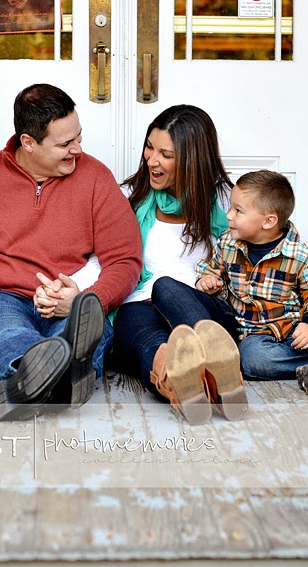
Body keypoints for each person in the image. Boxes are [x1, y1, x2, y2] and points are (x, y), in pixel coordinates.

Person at [0, 83, 141, 420]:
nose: (77, 149)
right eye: (64, 144)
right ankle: (59, 379)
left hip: (71, 296)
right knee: (5, 337)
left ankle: (33, 382)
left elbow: (125, 258)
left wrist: (90, 298)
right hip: (2, 296)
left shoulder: (96, 178)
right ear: (28, 142)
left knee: (86, 333)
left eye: (79, 137)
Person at [154, 169, 308, 399]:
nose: (229, 215)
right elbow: (209, 268)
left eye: (238, 211)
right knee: (252, 360)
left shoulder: (298, 254)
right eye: (231, 208)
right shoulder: (228, 243)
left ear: (269, 221)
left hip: (295, 331)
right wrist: (207, 281)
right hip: (254, 338)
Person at [108, 105, 246, 426]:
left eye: (166, 155)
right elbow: (105, 256)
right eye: (150, 148)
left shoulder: (226, 201)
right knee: (148, 339)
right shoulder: (128, 197)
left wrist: (223, 280)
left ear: (192, 159)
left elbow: (262, 250)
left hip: (202, 305)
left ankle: (214, 361)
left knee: (166, 287)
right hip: (140, 305)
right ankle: (185, 382)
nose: (151, 160)